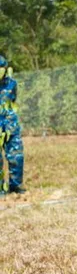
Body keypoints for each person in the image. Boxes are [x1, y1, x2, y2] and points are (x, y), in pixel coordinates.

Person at [0, 55, 25, 195]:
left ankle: (16, 186)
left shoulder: (12, 84)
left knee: (16, 156)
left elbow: (13, 100)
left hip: (10, 125)